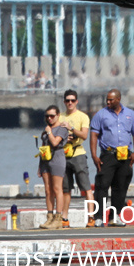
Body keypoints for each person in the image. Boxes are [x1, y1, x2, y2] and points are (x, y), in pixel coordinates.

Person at [89, 88, 134, 227]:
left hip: (125, 155)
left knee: (120, 186)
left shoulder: (130, 114)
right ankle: (99, 217)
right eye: (107, 99)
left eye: (111, 100)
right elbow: (94, 135)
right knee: (102, 186)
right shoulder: (101, 115)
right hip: (107, 154)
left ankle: (115, 216)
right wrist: (94, 155)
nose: (108, 102)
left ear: (118, 99)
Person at [59, 89, 96, 227]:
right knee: (65, 189)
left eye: (72, 100)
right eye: (67, 100)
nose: (70, 103)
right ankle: (64, 218)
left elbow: (85, 135)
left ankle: (91, 216)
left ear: (76, 102)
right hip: (63, 154)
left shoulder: (83, 117)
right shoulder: (59, 116)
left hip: (78, 153)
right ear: (64, 102)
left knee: (86, 187)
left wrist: (71, 128)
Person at [38, 105, 69, 230]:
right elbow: (43, 146)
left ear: (58, 115)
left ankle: (58, 218)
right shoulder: (46, 130)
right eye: (47, 116)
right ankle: (49, 217)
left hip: (57, 158)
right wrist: (39, 166)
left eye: (52, 116)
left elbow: (55, 142)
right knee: (48, 190)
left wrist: (49, 132)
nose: (49, 118)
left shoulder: (62, 128)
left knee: (57, 189)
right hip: (45, 160)